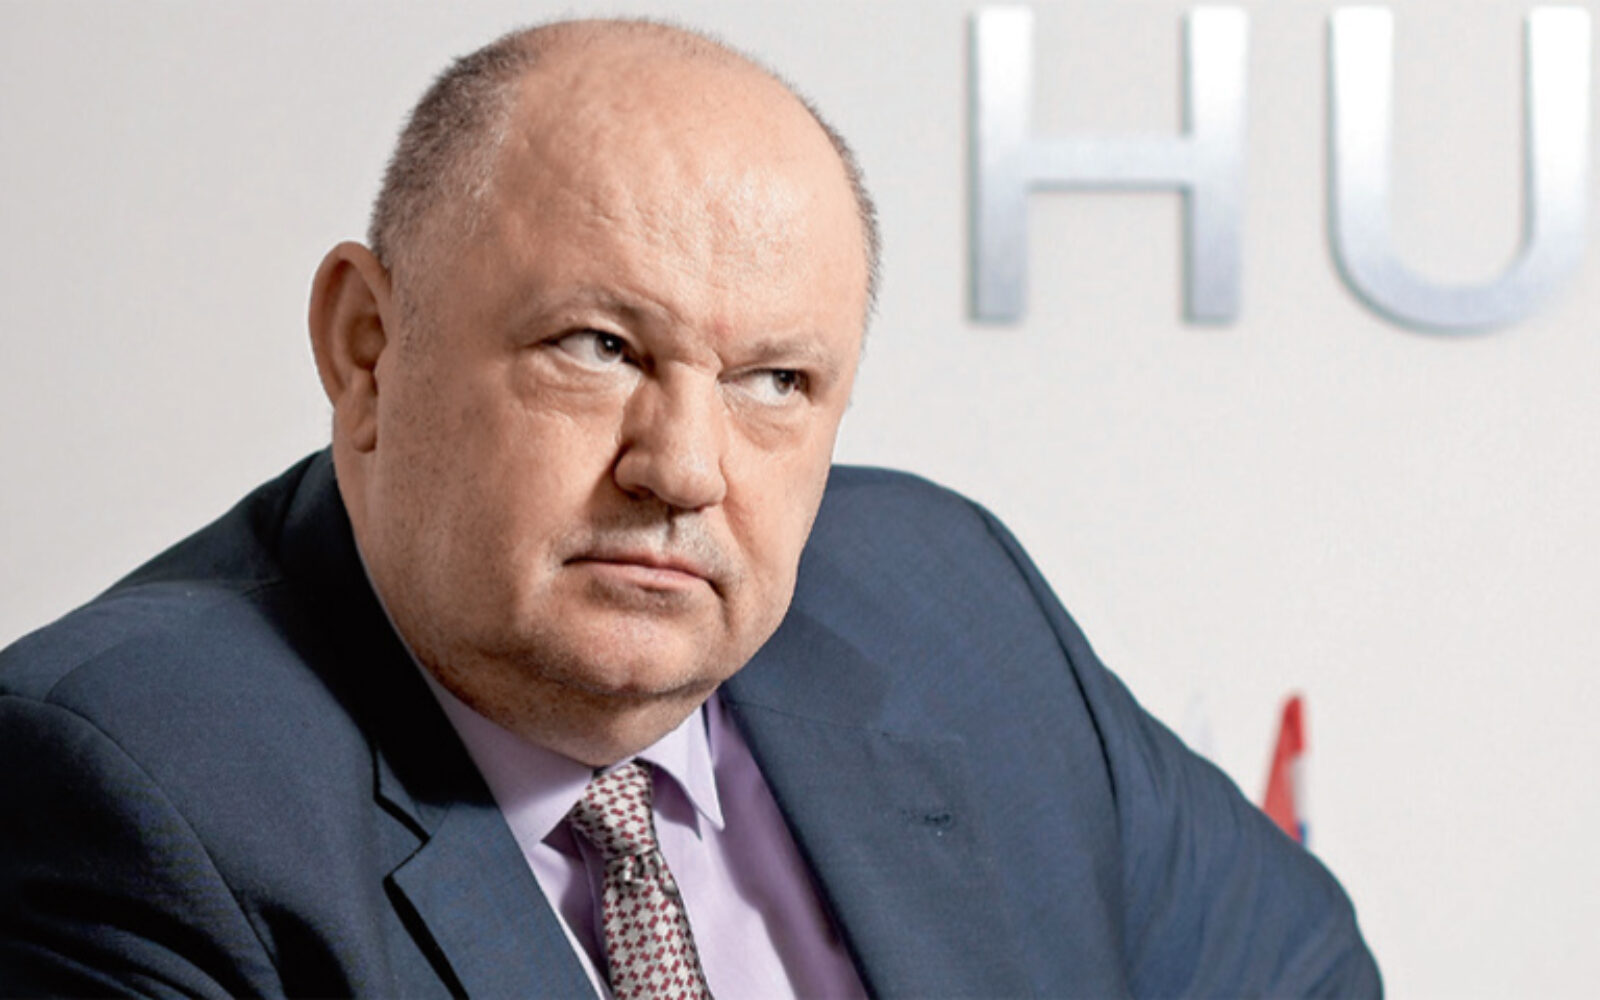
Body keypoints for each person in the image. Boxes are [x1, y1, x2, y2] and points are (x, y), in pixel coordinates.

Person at [0, 18, 1380, 999]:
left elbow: (1302, 975)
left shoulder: (945, 599)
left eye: (775, 380)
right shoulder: (122, 789)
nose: (685, 468)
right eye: (599, 347)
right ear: (368, 348)